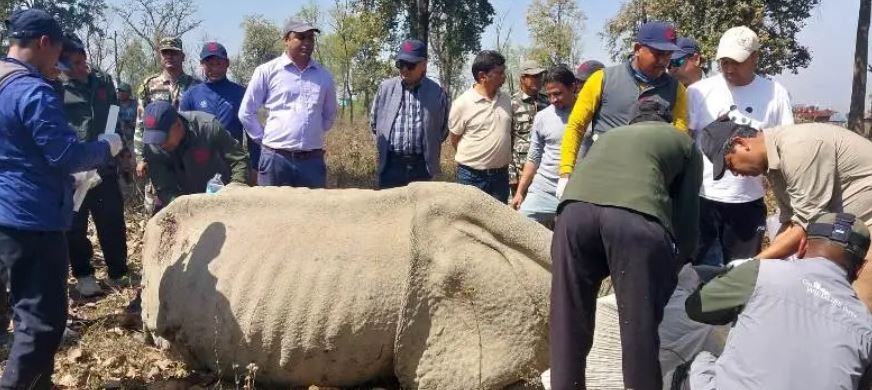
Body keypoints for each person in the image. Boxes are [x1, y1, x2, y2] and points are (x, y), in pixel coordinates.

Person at [0, 8, 122, 388]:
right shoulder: (31, 91)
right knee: (42, 321)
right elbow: (65, 154)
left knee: (18, 308)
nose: (61, 62)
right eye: (58, 53)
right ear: (43, 43)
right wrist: (105, 146)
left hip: (6, 212)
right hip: (32, 218)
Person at [550, 97, 702, 390]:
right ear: (666, 121)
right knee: (638, 329)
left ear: (633, 120)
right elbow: (687, 215)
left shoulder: (609, 137)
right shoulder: (682, 142)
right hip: (634, 224)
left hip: (572, 218)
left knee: (567, 320)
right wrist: (678, 263)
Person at [698, 119, 872, 311]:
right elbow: (792, 223)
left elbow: (807, 225)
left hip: (865, 223)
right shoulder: (774, 167)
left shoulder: (799, 148)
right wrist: (764, 263)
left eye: (730, 164)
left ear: (741, 143)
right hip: (846, 226)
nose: (736, 174)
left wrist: (753, 265)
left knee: (856, 306)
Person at [685, 212, 872, 390]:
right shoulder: (866, 328)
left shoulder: (763, 272)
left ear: (802, 245)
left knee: (702, 361)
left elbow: (696, 307)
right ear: (860, 269)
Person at [688, 26, 794, 267]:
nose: (729, 68)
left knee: (742, 273)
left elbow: (785, 145)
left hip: (748, 200)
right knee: (702, 271)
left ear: (755, 57)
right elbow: (686, 139)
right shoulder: (698, 92)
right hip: (704, 199)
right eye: (723, 61)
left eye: (736, 62)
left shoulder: (775, 94)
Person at [558, 21, 688, 197]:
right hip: (603, 178)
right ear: (637, 48)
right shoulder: (602, 79)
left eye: (668, 55)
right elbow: (576, 126)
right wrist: (566, 172)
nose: (664, 62)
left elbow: (680, 137)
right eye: (657, 54)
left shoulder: (676, 89)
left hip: (649, 184)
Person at [58, 33, 129, 296]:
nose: (82, 67)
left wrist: (122, 152)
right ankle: (84, 274)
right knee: (75, 226)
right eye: (74, 63)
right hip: (74, 168)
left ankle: (118, 270)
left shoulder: (101, 81)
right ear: (62, 64)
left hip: (104, 164)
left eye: (83, 60)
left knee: (111, 218)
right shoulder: (54, 86)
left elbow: (114, 114)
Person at [240, 18, 338, 188]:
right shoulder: (267, 71)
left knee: (312, 212)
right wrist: (263, 139)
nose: (307, 43)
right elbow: (246, 112)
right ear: (286, 39)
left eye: (311, 38)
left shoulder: (324, 76)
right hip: (275, 159)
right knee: (271, 211)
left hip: (311, 162)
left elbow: (329, 115)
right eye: (301, 37)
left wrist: (310, 133)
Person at [369, 39, 449, 189]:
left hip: (422, 167)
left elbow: (443, 130)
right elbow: (374, 125)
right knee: (390, 211)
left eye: (410, 65)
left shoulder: (437, 93)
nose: (404, 69)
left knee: (420, 211)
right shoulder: (385, 89)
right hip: (390, 166)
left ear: (424, 65)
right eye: (400, 64)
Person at [134, 37, 201, 214]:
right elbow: (141, 123)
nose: (169, 56)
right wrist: (141, 157)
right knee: (156, 205)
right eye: (165, 53)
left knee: (188, 204)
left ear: (183, 56)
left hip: (185, 154)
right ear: (160, 56)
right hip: (157, 153)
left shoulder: (195, 85)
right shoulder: (149, 85)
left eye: (174, 53)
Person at [141, 101, 248, 207]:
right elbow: (165, 189)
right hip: (184, 203)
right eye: (156, 139)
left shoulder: (208, 128)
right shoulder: (152, 146)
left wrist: (235, 188)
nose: (161, 144)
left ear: (178, 125)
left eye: (164, 138)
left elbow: (239, 159)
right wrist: (185, 207)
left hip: (219, 196)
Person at [180, 41, 259, 184]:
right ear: (202, 65)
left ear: (227, 63)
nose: (214, 68)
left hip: (233, 165)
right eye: (209, 64)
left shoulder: (241, 93)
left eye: (219, 63)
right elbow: (181, 134)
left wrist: (254, 166)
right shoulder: (191, 95)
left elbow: (252, 134)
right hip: (200, 166)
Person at [510, 65, 578, 228]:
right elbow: (533, 157)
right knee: (518, 227)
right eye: (549, 95)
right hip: (544, 190)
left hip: (579, 192)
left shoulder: (590, 114)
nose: (553, 100)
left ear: (573, 87)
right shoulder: (542, 117)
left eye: (558, 94)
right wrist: (520, 192)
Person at [448, 50, 512, 203]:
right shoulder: (462, 103)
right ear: (483, 76)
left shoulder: (506, 100)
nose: (504, 76)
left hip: (500, 178)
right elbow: (455, 139)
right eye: (499, 73)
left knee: (498, 223)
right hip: (471, 177)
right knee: (468, 223)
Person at [510, 60, 549, 195]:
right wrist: (512, 175)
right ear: (523, 78)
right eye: (535, 76)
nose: (539, 80)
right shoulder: (512, 104)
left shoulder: (548, 101)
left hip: (545, 170)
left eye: (540, 76)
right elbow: (507, 141)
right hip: (521, 170)